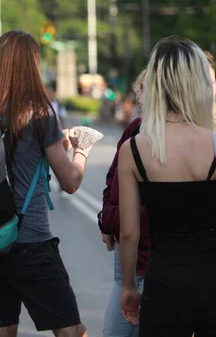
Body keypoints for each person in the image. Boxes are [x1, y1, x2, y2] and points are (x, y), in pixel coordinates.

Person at [0, 30, 93, 337]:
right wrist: (82, 148)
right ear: (32, 65)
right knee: (72, 330)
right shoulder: (40, 114)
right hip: (32, 242)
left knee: (0, 331)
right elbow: (71, 182)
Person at [119, 37, 216, 335]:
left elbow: (128, 233)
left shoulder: (135, 149)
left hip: (163, 285)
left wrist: (128, 289)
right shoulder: (214, 143)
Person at [98, 70, 148, 337]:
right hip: (126, 253)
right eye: (137, 88)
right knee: (115, 328)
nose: (138, 95)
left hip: (158, 254)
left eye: (143, 88)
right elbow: (112, 177)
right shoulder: (135, 129)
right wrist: (108, 221)